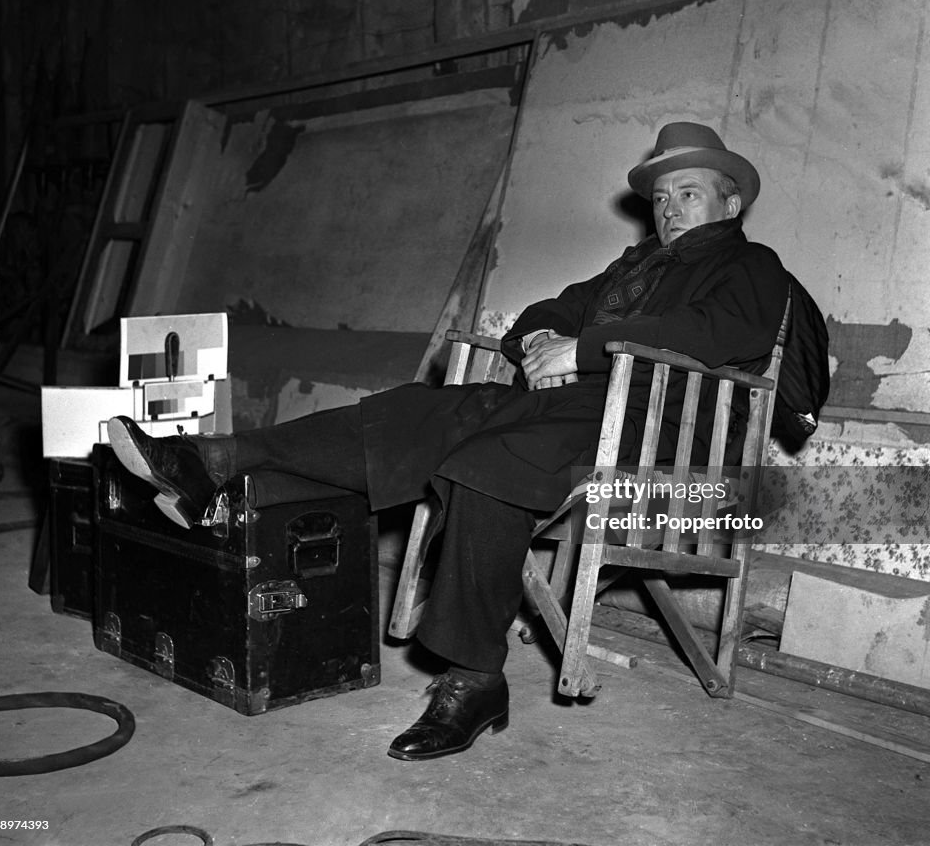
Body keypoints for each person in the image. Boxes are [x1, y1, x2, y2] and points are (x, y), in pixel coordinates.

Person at [106, 121, 790, 762]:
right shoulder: (631, 268)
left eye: (688, 193)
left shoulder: (751, 267)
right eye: (662, 196)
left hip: (654, 426)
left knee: (487, 464)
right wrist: (542, 341)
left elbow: (719, 336)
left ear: (729, 203)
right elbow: (544, 312)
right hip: (568, 409)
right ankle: (214, 460)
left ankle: (474, 678)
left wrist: (584, 349)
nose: (668, 208)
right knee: (416, 414)